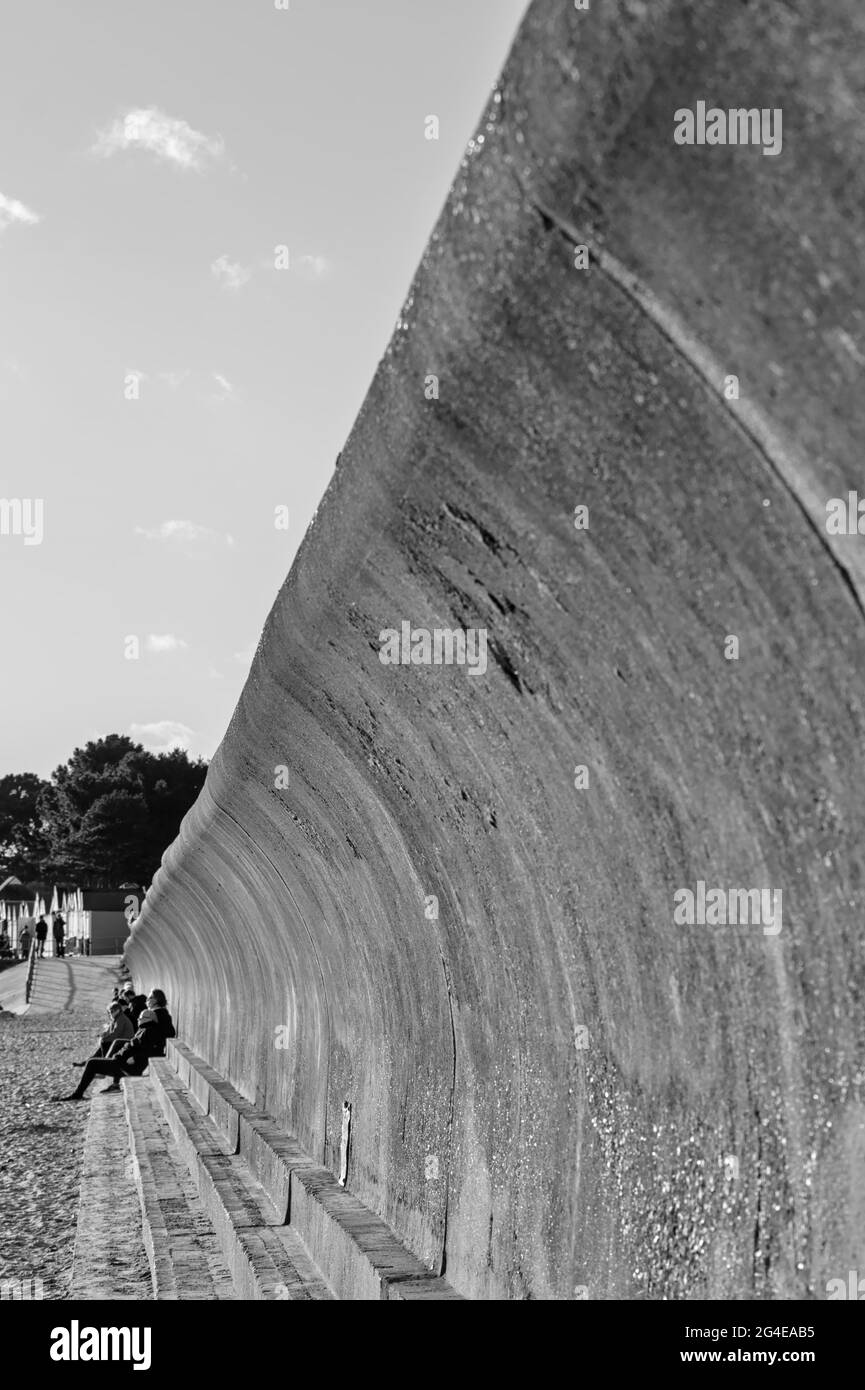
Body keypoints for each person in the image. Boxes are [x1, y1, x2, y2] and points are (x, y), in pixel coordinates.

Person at [53, 1009, 168, 1101]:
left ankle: (77, 1094)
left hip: (128, 1067)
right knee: (116, 1044)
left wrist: (135, 1058)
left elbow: (153, 1050)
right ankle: (109, 1083)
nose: (138, 1019)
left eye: (140, 1018)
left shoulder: (149, 1031)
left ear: (147, 1019)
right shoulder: (145, 1029)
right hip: (122, 1062)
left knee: (92, 1063)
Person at [72, 1000, 134, 1066]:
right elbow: (109, 1031)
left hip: (124, 1041)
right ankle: (88, 1062)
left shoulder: (121, 1019)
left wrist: (105, 1039)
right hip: (119, 1040)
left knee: (104, 1044)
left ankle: (102, 1064)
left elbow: (116, 1033)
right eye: (109, 1012)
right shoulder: (116, 1018)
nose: (110, 1014)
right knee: (100, 1048)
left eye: (112, 1012)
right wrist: (103, 1035)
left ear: (118, 1010)